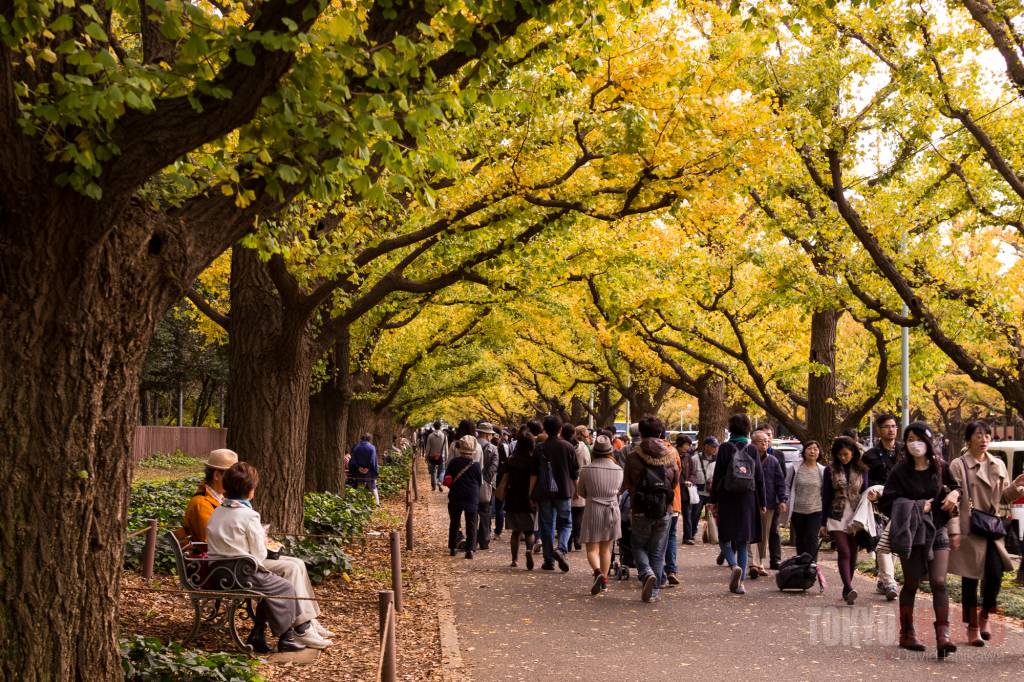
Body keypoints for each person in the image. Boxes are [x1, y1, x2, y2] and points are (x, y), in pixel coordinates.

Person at [206, 462, 330, 653]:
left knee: (295, 564)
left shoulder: (217, 511)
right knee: (286, 579)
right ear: (249, 490)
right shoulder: (249, 515)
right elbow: (259, 555)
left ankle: (305, 622)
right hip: (241, 572)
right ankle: (298, 630)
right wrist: (264, 541)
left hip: (219, 571)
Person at [879, 421, 961, 658]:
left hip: (937, 530)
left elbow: (956, 487)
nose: (914, 443)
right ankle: (907, 633)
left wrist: (955, 493)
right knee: (913, 582)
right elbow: (887, 503)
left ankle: (943, 635)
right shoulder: (900, 471)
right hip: (912, 534)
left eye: (918, 438)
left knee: (939, 582)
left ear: (928, 440)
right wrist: (916, 507)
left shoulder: (940, 467)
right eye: (910, 439)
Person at [949, 420, 1024, 647]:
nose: (984, 439)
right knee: (970, 579)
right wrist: (954, 531)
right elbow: (954, 501)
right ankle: (972, 627)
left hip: (992, 527)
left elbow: (1001, 498)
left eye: (987, 435)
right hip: (970, 527)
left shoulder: (998, 464)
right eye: (979, 435)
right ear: (969, 438)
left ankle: (984, 616)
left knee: (995, 574)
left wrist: (1015, 488)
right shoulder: (958, 465)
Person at [621, 416, 680, 603]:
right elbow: (676, 481)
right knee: (657, 551)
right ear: (660, 433)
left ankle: (645, 572)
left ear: (642, 433)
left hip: (640, 508)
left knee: (637, 544)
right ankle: (653, 592)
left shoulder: (633, 456)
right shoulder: (672, 454)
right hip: (665, 508)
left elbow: (627, 483)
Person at [708, 414, 765, 595]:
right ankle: (740, 584)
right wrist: (762, 502)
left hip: (727, 497)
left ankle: (733, 566)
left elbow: (717, 476)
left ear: (730, 428)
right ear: (748, 428)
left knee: (724, 537)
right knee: (742, 540)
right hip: (748, 498)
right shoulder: (753, 449)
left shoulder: (724, 448)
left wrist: (713, 500)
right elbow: (759, 478)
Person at [821, 436, 868, 605]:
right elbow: (825, 495)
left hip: (856, 515)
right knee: (844, 551)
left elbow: (865, 494)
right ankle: (848, 587)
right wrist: (822, 522)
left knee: (853, 553)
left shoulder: (862, 470)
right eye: (840, 454)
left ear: (853, 453)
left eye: (846, 454)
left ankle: (847, 587)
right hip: (836, 514)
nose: (843, 457)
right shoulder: (830, 470)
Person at [862, 413, 902, 601]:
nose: (891, 430)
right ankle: (889, 582)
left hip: (900, 503)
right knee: (881, 542)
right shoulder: (869, 456)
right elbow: (863, 480)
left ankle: (883, 579)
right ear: (879, 430)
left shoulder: (904, 451)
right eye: (886, 426)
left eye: (893, 426)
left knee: (891, 543)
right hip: (877, 505)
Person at [531, 415, 579, 572]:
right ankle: (561, 549)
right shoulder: (568, 447)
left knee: (547, 526)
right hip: (564, 491)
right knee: (566, 523)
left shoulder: (540, 448)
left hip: (544, 492)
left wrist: (531, 493)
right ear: (560, 429)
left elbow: (534, 474)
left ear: (545, 429)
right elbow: (574, 473)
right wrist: (576, 490)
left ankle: (548, 560)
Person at [578, 435, 623, 595]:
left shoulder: (586, 470)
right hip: (612, 510)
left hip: (593, 509)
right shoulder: (618, 470)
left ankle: (597, 573)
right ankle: (604, 580)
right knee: (606, 549)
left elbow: (581, 492)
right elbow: (620, 490)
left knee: (591, 548)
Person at [748, 429, 787, 578]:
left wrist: (782, 499)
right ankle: (752, 562)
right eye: (760, 441)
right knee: (750, 532)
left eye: (766, 441)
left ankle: (761, 562)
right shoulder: (747, 458)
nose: (764, 443)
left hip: (769, 502)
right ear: (752, 443)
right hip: (750, 502)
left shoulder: (773, 460)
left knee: (764, 534)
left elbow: (780, 481)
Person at [178, 449, 238, 544]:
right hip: (212, 557)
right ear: (217, 475)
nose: (235, 480)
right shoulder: (201, 504)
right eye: (231, 476)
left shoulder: (219, 498)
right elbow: (210, 541)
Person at [498, 429, 538, 569]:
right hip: (528, 498)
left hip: (512, 497)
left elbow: (502, 477)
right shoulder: (533, 461)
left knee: (515, 532)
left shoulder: (511, 460)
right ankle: (528, 549)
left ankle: (514, 560)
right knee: (529, 531)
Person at [782, 440, 825, 560]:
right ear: (804, 451)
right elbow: (786, 485)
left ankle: (811, 566)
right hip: (798, 510)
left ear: (819, 452)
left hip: (816, 510)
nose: (812, 451)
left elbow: (825, 491)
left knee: (812, 538)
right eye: (809, 448)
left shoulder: (822, 470)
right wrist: (784, 500)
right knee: (800, 539)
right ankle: (801, 566)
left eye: (815, 449)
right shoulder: (795, 468)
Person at [446, 435, 482, 559]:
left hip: (455, 495)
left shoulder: (453, 463)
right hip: (471, 496)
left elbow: (447, 477)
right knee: (471, 523)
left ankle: (453, 547)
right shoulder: (476, 465)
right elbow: (479, 481)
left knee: (455, 522)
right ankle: (470, 550)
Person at [476, 421, 499, 550]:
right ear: (486, 434)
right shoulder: (493, 448)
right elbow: (494, 467)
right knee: (485, 513)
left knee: (473, 513)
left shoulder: (471, 445)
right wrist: (487, 480)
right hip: (487, 485)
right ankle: (484, 540)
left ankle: (472, 541)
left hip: (472, 484)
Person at [570, 424, 592, 551]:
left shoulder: (568, 446)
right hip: (580, 479)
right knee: (579, 512)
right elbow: (587, 464)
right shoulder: (584, 449)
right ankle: (577, 538)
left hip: (568, 481)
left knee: (569, 513)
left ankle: (567, 540)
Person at [693, 436, 718, 543]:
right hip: (698, 491)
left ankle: (712, 535)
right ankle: (691, 534)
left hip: (712, 492)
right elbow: (691, 473)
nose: (715, 449)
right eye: (713, 447)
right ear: (706, 446)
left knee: (713, 515)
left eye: (716, 447)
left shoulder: (718, 460)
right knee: (695, 514)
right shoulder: (695, 459)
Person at [349, 434, 380, 504]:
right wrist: (368, 468)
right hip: (370, 472)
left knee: (360, 486)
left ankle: (358, 503)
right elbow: (373, 460)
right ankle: (377, 503)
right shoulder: (372, 448)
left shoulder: (356, 447)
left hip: (359, 471)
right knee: (372, 487)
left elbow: (353, 460)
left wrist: (359, 467)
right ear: (369, 439)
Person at [425, 421, 448, 491]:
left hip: (432, 456)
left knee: (433, 471)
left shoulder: (430, 436)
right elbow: (446, 447)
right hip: (441, 456)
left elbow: (428, 447)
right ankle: (440, 482)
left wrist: (426, 456)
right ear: (440, 427)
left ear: (434, 427)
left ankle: (433, 486)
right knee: (442, 470)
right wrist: (446, 456)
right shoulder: (444, 435)